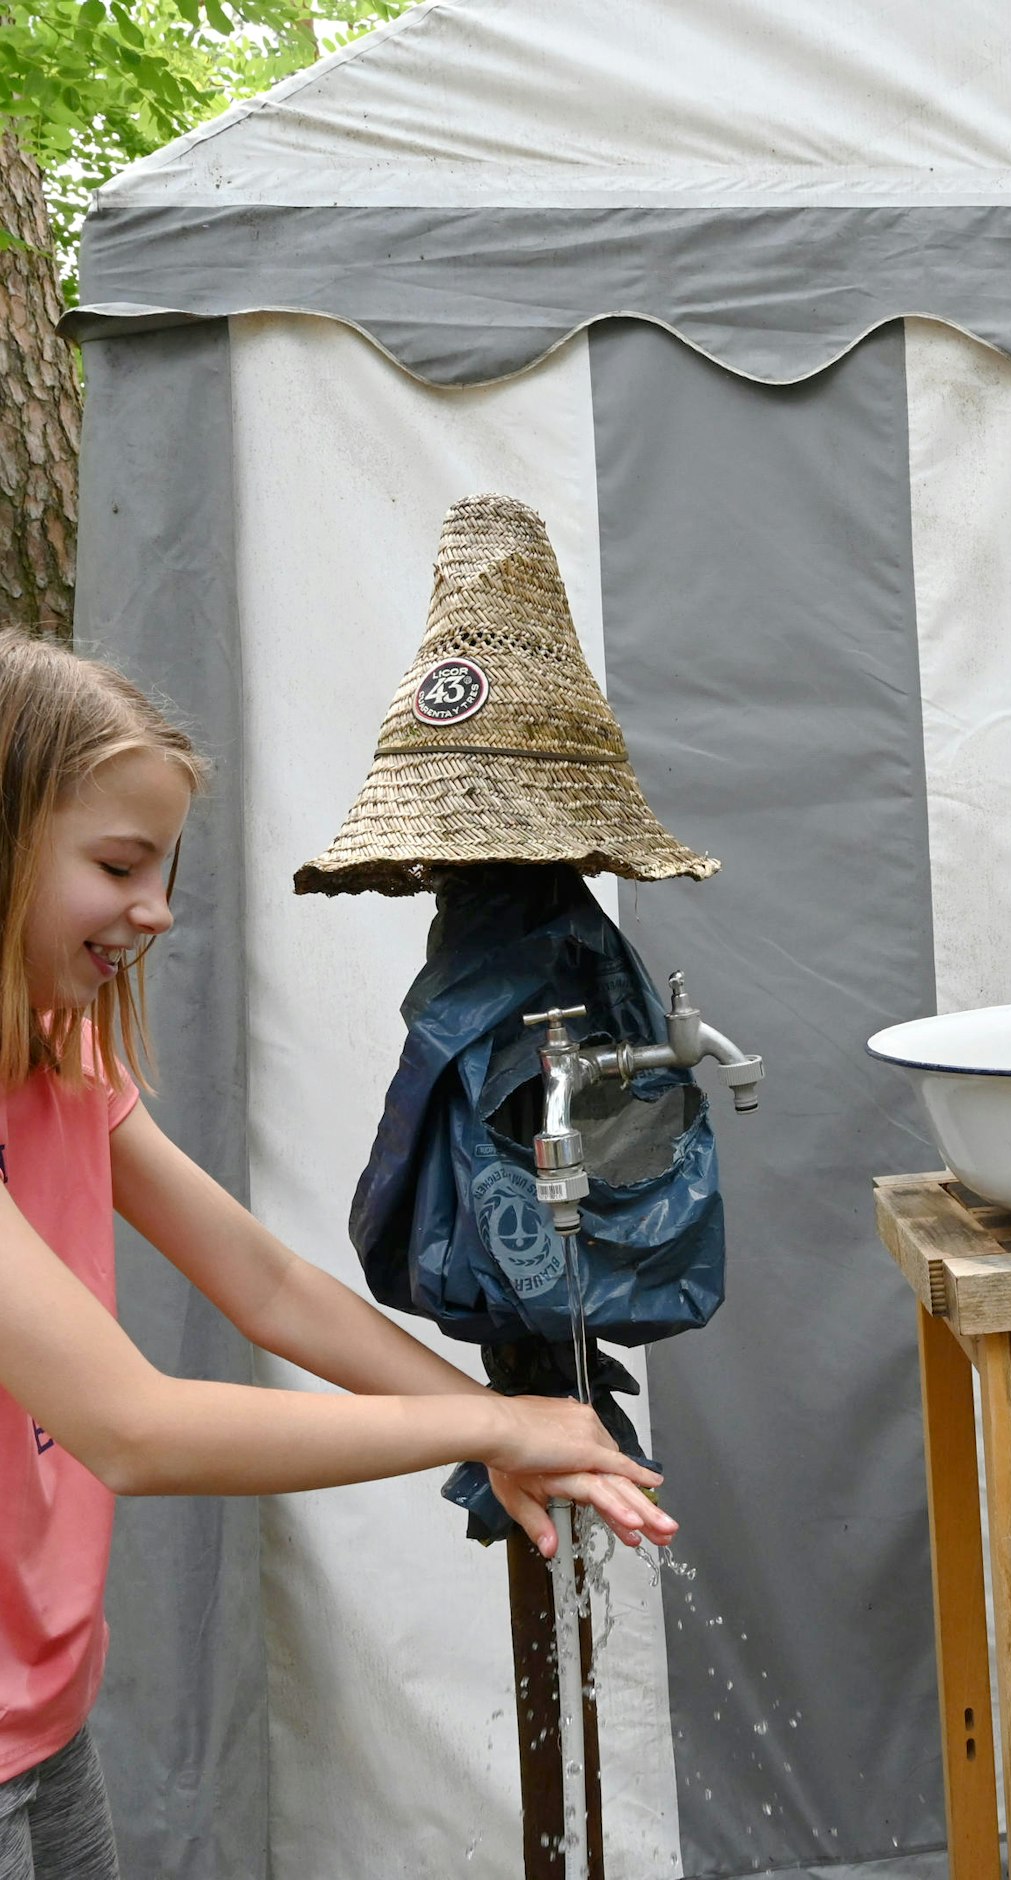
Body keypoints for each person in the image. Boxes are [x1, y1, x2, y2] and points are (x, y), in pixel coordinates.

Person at [0, 628, 676, 1880]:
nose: (156, 909)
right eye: (119, 863)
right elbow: (133, 1429)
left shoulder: (60, 1061)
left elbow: (266, 1285)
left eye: (166, 869)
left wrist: (495, 1417)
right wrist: (490, 1433)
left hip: (42, 1708)